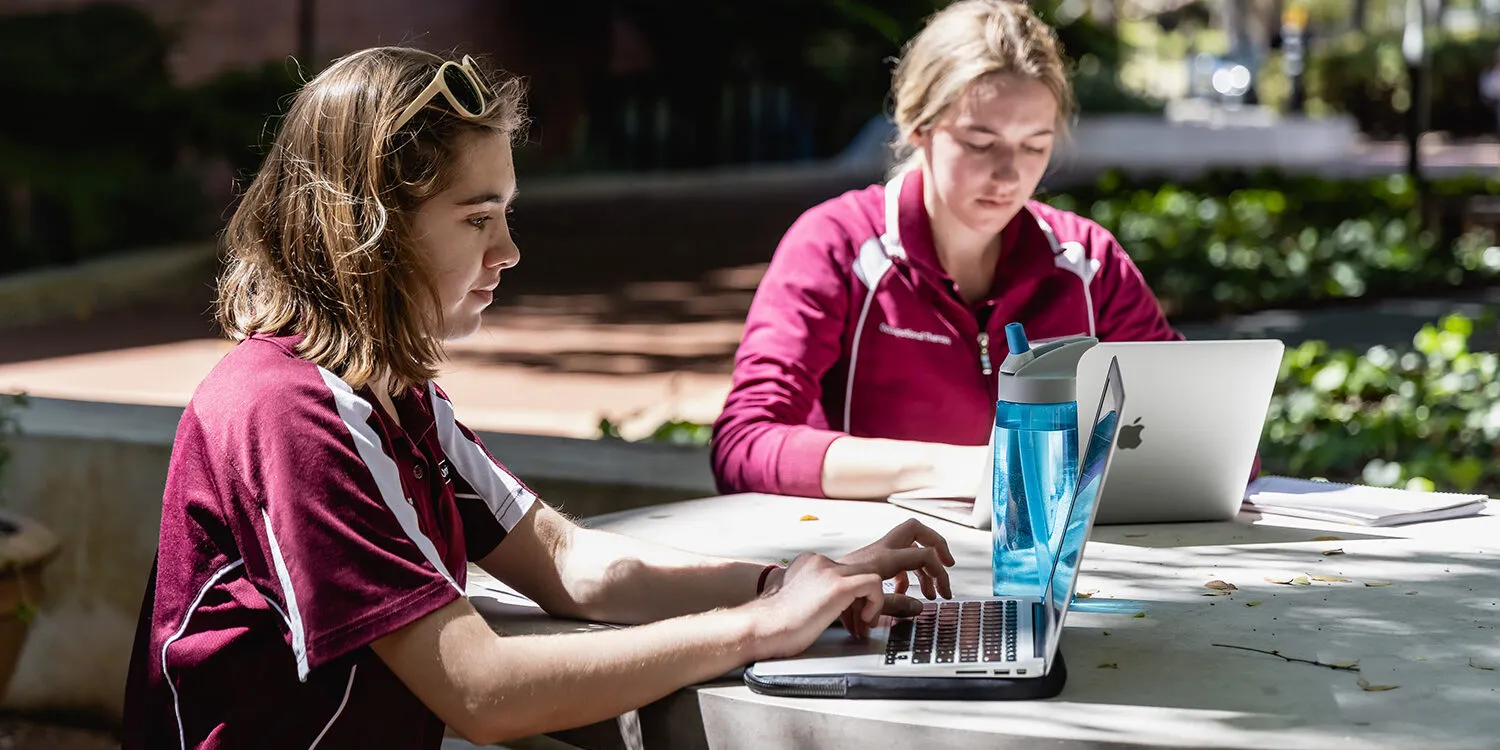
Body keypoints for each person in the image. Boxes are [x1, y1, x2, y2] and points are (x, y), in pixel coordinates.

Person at [121, 47, 955, 749]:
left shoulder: (394, 394)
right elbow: (483, 692)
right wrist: (762, 630)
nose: (510, 251)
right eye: (478, 218)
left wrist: (797, 583)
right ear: (366, 227)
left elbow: (570, 563)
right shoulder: (287, 409)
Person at [711, 0, 1183, 501]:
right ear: (917, 125)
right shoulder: (836, 244)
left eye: (1034, 146)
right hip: (878, 563)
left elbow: (1210, 446)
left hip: (1056, 566)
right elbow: (745, 445)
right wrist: (975, 470)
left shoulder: (1089, 261)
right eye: (981, 142)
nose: (1008, 175)